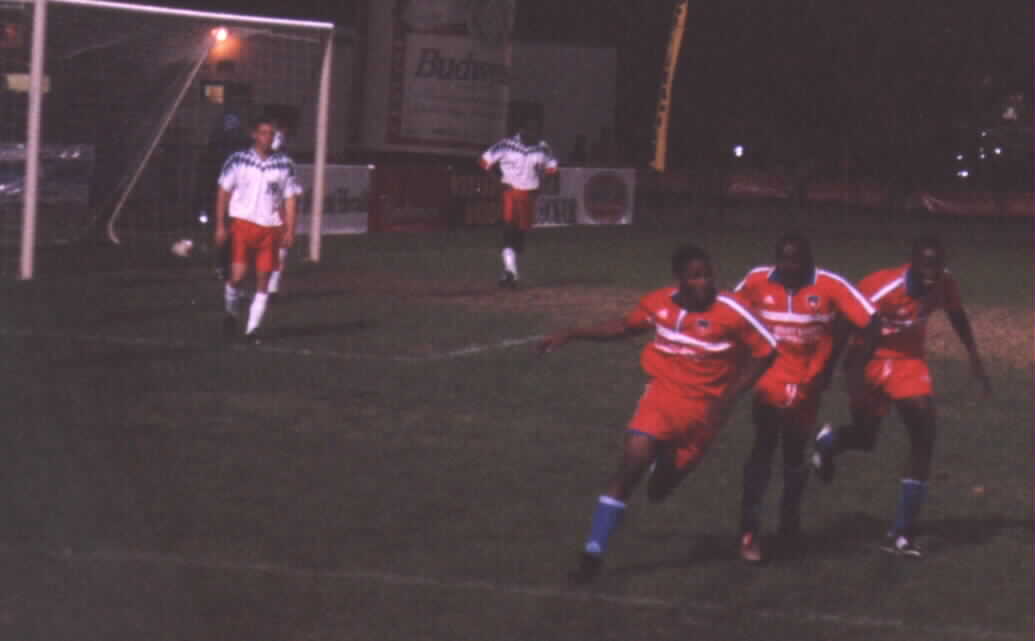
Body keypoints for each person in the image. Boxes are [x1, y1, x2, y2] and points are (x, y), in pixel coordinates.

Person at [540, 244, 778, 583]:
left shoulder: (733, 310)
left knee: (659, 491)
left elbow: (767, 350)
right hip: (660, 401)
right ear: (678, 279)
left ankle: (663, 464)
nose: (705, 282)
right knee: (629, 467)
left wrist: (733, 394)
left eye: (708, 274)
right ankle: (592, 555)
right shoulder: (659, 303)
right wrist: (573, 332)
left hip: (704, 415)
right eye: (696, 276)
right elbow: (624, 327)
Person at [810, 238, 991, 557]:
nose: (932, 273)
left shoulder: (944, 283)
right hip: (868, 359)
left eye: (937, 265)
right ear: (913, 263)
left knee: (924, 431)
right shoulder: (880, 287)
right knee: (866, 437)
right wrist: (829, 369)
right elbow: (842, 325)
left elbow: (956, 313)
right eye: (926, 265)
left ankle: (901, 533)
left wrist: (973, 355)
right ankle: (830, 442)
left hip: (908, 361)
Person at [733, 233, 878, 562]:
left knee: (795, 453)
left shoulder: (830, 285)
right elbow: (729, 309)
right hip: (769, 376)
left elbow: (871, 320)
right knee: (764, 444)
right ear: (776, 259)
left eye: (797, 259)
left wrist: (852, 363)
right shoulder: (757, 280)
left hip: (808, 380)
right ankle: (749, 532)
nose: (791, 266)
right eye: (784, 259)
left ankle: (789, 522)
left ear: (809, 260)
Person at [214, 116, 301, 342]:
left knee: (263, 280)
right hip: (242, 226)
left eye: (271, 134)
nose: (268, 138)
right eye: (263, 133)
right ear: (254, 134)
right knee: (238, 276)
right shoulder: (238, 159)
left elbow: (290, 198)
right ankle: (231, 314)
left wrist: (290, 229)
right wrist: (220, 225)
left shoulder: (285, 164)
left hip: (270, 230)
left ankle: (252, 329)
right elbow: (223, 191)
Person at [479, 119, 558, 288]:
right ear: (522, 130)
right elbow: (484, 161)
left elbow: (552, 168)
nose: (536, 134)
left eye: (538, 130)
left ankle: (509, 271)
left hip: (529, 195)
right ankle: (511, 273)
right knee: (508, 231)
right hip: (511, 192)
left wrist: (542, 186)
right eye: (532, 130)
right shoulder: (506, 145)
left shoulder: (542, 146)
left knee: (519, 240)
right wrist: (499, 182)